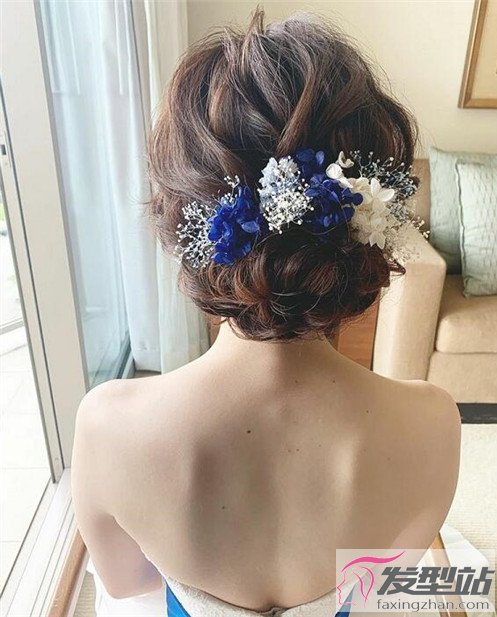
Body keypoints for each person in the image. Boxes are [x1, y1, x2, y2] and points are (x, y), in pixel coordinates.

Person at [71, 10, 461, 617]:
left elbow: (123, 585)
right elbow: (378, 583)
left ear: (185, 227)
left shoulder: (108, 425)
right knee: (456, 581)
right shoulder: (432, 422)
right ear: (370, 224)